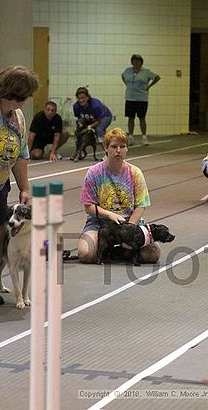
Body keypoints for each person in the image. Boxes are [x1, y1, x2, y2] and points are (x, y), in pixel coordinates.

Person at [0, 65, 38, 305]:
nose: (26, 100)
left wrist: (24, 187)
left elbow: (21, 154)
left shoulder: (18, 117)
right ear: (15, 92)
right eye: (26, 95)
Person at [78, 127, 161, 264]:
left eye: (122, 146)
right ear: (106, 148)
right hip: (101, 224)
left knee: (152, 254)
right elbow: (89, 207)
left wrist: (129, 229)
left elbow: (141, 205)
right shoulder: (94, 173)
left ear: (127, 149)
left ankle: (116, 251)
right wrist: (110, 215)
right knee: (86, 254)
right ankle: (114, 249)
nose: (118, 151)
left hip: (129, 223)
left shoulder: (135, 173)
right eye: (114, 146)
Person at [121, 54, 161, 146]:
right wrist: (128, 85)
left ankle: (144, 137)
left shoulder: (146, 72)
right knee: (130, 117)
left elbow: (157, 77)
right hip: (130, 97)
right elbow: (123, 76)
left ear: (141, 62)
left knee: (142, 117)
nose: (136, 62)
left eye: (138, 61)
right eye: (134, 60)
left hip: (142, 98)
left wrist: (149, 86)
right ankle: (131, 136)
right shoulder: (128, 71)